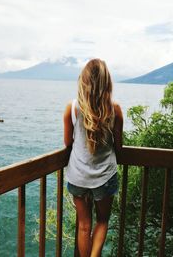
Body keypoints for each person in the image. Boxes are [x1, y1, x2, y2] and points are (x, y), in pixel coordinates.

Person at [63, 58, 123, 257]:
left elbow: (67, 143)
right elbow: (119, 146)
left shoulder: (71, 108)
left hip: (78, 175)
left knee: (83, 225)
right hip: (104, 176)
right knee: (102, 221)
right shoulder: (114, 110)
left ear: (83, 81)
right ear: (107, 82)